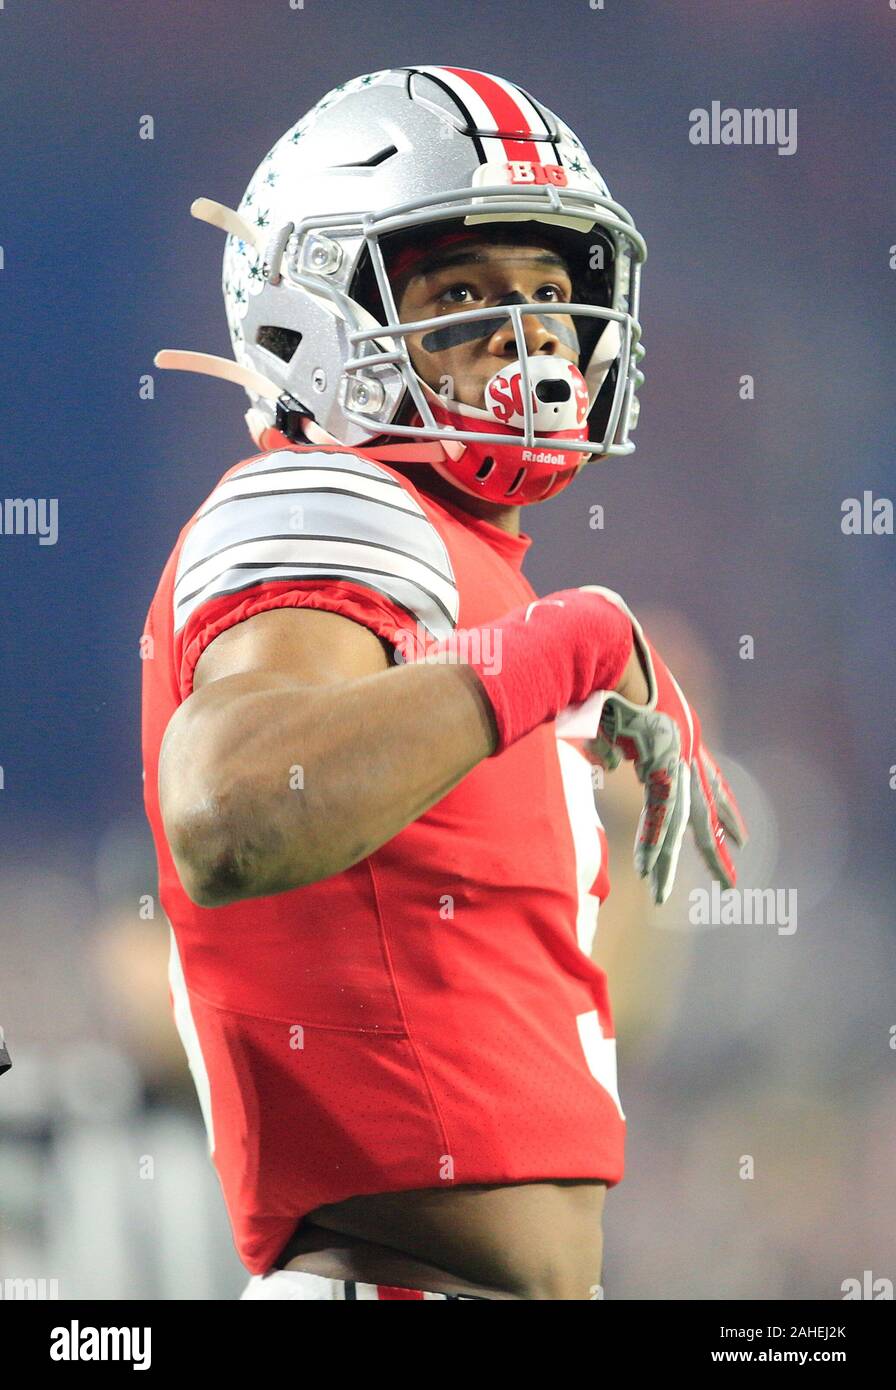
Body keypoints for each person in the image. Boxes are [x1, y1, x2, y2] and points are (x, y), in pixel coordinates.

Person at [142, 66, 746, 1301]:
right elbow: (231, 810)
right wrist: (565, 644)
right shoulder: (329, 493)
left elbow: (511, 1051)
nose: (526, 337)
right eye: (460, 293)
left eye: (545, 296)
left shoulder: (468, 593)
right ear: (315, 314)